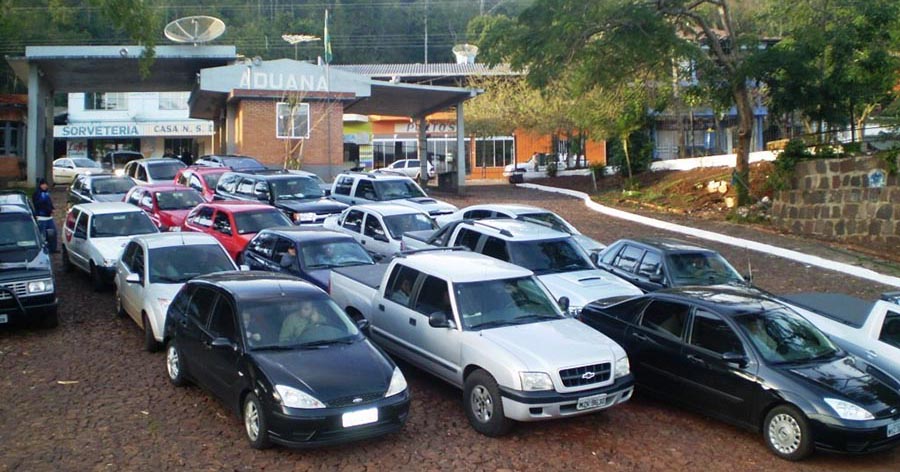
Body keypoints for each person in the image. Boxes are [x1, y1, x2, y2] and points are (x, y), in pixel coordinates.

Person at [31, 178, 58, 253]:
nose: (45, 186)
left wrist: (52, 208)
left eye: (46, 185)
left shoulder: (46, 193)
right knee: (43, 235)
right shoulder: (37, 193)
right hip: (41, 217)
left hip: (49, 217)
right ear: (41, 185)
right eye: (44, 185)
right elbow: (37, 204)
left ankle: (53, 249)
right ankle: (43, 250)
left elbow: (49, 202)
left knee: (53, 233)